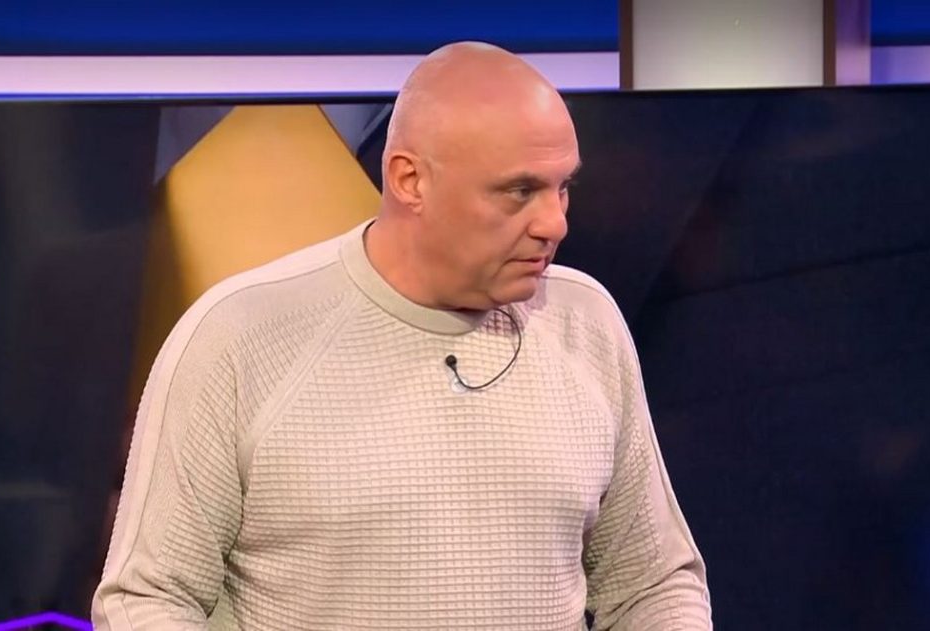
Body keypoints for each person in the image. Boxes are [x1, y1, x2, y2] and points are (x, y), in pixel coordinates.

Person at [92, 41, 711, 630]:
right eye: (519, 191)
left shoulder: (586, 321)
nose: (554, 223)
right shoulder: (239, 337)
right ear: (410, 180)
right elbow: (147, 600)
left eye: (563, 187)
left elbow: (651, 584)